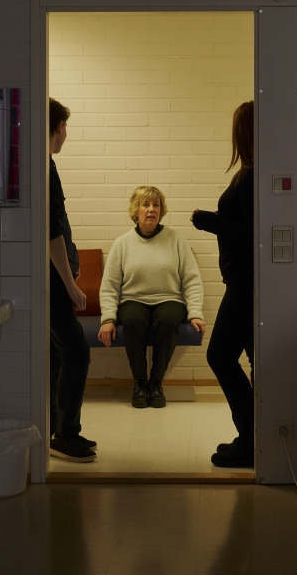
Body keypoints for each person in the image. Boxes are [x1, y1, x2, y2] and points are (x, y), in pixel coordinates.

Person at [98, 186, 205, 409]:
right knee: (133, 320)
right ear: (135, 211)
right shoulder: (122, 243)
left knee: (168, 320)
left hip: (170, 299)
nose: (151, 209)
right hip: (133, 300)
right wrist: (108, 319)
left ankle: (156, 383)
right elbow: (109, 286)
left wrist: (195, 312)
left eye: (156, 205)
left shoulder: (176, 239)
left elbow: (192, 280)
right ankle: (139, 383)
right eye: (145, 204)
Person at [191, 100, 255, 468]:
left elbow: (252, 233)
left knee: (219, 356)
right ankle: (251, 437)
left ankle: (249, 442)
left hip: (245, 286)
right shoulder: (246, 173)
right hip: (242, 282)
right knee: (246, 359)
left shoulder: (251, 176)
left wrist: (209, 222)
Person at [48, 98, 96, 463]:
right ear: (57, 127)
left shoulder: (46, 165)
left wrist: (73, 260)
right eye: (65, 126)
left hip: (57, 277)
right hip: (53, 283)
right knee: (76, 354)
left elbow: (60, 228)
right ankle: (66, 435)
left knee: (58, 356)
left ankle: (57, 428)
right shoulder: (45, 169)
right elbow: (51, 235)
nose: (66, 133)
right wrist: (70, 283)